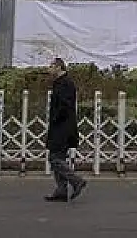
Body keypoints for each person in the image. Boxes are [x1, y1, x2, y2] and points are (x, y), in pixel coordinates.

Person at [45, 58, 87, 202]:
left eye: (51, 66)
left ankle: (76, 180)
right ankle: (61, 190)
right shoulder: (59, 83)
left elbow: (64, 106)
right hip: (61, 125)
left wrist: (55, 118)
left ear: (59, 67)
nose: (49, 69)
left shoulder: (65, 84)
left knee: (54, 158)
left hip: (62, 126)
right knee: (59, 157)